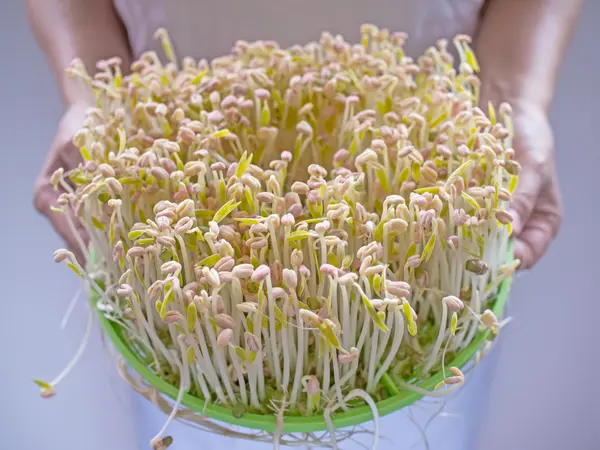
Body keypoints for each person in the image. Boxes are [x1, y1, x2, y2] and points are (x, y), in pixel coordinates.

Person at [26, 1, 582, 449]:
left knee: (424, 354)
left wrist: (512, 96)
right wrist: (96, 96)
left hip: (431, 126)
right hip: (172, 129)